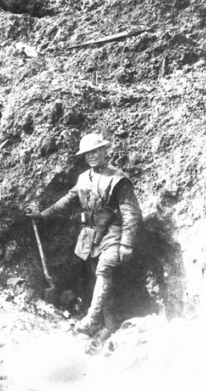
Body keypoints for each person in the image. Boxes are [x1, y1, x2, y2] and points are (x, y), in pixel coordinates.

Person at [27, 133, 142, 337]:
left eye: (95, 151)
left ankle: (91, 320)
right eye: (87, 153)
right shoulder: (83, 179)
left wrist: (127, 243)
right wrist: (43, 215)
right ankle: (111, 325)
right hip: (91, 236)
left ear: (105, 151)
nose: (91, 156)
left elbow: (131, 212)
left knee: (104, 271)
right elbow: (68, 200)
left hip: (113, 234)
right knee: (98, 278)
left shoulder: (117, 179)